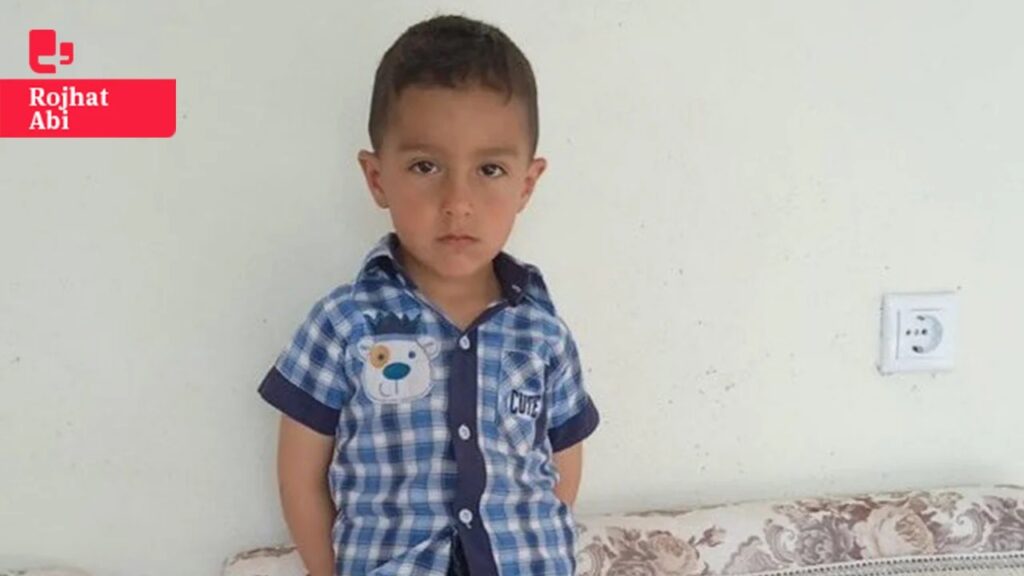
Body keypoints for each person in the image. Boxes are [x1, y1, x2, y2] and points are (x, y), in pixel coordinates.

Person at [258, 14, 600, 576]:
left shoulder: (543, 333)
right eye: (425, 166)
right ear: (377, 178)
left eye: (490, 169)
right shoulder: (344, 323)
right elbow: (299, 475)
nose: (457, 201)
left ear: (527, 184)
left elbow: (561, 468)